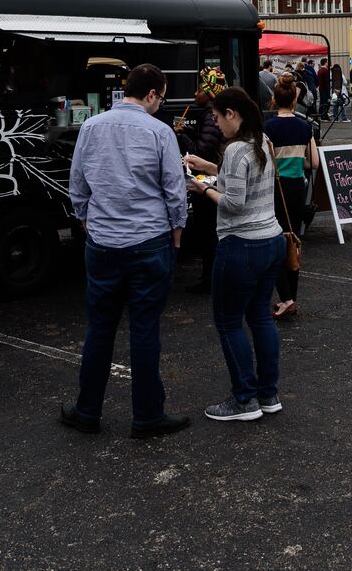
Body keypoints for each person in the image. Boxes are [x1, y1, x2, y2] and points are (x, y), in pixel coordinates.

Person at [61, 64, 191, 439]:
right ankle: (148, 415)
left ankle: (87, 410)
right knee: (145, 329)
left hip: (102, 243)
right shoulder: (160, 132)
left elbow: (77, 184)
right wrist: (177, 237)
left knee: (99, 328)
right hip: (148, 241)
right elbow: (174, 191)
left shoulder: (90, 126)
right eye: (161, 97)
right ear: (151, 94)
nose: (160, 103)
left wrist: (88, 221)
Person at [185, 87, 287, 422]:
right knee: (259, 316)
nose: (216, 124)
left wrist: (204, 187)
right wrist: (209, 166)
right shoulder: (262, 140)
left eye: (217, 117)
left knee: (228, 321)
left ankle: (244, 399)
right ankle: (267, 394)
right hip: (271, 239)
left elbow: (233, 202)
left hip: (241, 243)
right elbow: (245, 178)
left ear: (232, 114)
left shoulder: (235, 150)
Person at [264, 76, 318, 320]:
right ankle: (291, 297)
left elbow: (264, 162)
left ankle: (285, 298)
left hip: (276, 189)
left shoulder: (268, 127)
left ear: (275, 99)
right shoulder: (304, 127)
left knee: (274, 242)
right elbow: (314, 162)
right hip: (297, 186)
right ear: (295, 99)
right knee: (293, 241)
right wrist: (298, 159)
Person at [178, 67, 227, 294]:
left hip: (209, 182)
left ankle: (211, 279)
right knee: (208, 231)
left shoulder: (210, 118)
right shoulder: (210, 116)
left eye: (199, 89)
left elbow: (202, 151)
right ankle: (211, 277)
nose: (195, 94)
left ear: (209, 92)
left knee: (208, 231)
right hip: (210, 180)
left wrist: (182, 136)